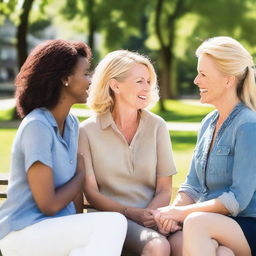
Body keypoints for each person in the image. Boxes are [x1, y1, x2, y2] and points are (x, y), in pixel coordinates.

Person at [0, 39, 127, 256]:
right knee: (113, 222)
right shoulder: (37, 126)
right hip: (22, 232)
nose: (90, 81)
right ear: (65, 79)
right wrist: (80, 174)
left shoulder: (71, 124)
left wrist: (79, 218)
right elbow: (48, 205)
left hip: (55, 230)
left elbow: (72, 197)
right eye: (86, 74)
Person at [154, 36, 256, 256]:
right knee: (221, 253)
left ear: (228, 80)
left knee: (196, 223)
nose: (196, 81)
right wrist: (171, 212)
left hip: (247, 223)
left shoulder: (248, 125)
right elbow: (192, 185)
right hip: (215, 225)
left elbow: (237, 200)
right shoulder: (208, 123)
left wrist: (181, 214)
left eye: (203, 74)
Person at [78, 50, 177, 256]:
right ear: (115, 85)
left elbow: (164, 189)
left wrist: (149, 216)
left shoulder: (157, 126)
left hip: (153, 217)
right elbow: (92, 192)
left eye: (149, 81)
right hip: (109, 220)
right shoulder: (87, 131)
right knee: (157, 246)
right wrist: (131, 214)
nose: (147, 87)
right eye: (140, 81)